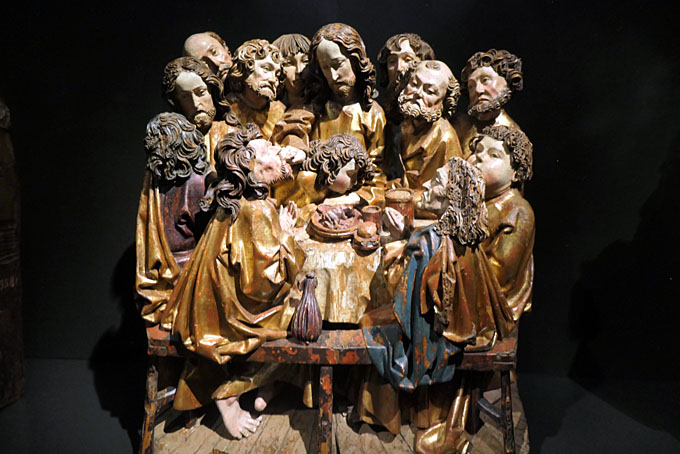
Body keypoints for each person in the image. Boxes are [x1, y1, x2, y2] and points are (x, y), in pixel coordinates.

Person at [160, 124, 307, 440]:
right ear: (251, 169)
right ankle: (234, 391)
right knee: (304, 314)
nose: (277, 150)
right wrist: (287, 237)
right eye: (268, 150)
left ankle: (267, 385)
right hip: (231, 316)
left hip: (215, 305)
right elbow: (263, 285)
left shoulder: (235, 204)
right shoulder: (257, 211)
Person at [135, 112, 211, 323]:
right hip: (178, 270)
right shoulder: (165, 179)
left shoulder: (167, 180)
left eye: (156, 141)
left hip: (176, 270)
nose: (150, 146)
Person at [304, 23, 387, 205]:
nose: (334, 76)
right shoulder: (314, 110)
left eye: (338, 64)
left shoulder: (372, 115)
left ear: (356, 61)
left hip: (356, 203)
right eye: (325, 68)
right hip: (314, 200)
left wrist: (351, 199)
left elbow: (378, 179)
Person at [392, 60, 464, 216]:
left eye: (429, 91)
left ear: (444, 101)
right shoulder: (404, 127)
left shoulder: (445, 138)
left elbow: (449, 197)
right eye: (414, 84)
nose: (417, 93)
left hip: (426, 215)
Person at [272, 133, 374, 223]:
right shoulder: (306, 180)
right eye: (351, 174)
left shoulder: (331, 185)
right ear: (331, 166)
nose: (355, 181)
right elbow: (287, 212)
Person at [453, 49, 525, 157]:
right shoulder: (459, 125)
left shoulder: (513, 136)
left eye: (485, 80)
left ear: (506, 82)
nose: (478, 90)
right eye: (471, 86)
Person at [162, 56, 231, 167]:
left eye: (201, 92)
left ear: (212, 91)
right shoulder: (169, 145)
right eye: (185, 97)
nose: (195, 103)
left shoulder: (232, 135)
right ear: (176, 102)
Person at [224, 39, 287, 140]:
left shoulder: (280, 112)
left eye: (277, 74)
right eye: (266, 69)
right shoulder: (225, 108)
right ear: (245, 67)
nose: (273, 79)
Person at [272, 33, 311, 110]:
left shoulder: (327, 111)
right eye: (289, 63)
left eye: (305, 61)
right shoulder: (273, 113)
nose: (299, 70)